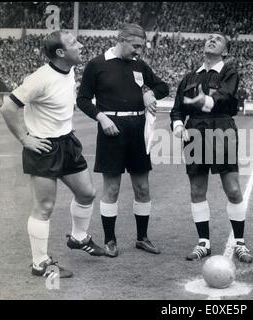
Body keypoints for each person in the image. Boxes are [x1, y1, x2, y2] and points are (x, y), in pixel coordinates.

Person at [0, 30, 105, 279]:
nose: (80, 45)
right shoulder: (40, 78)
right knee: (44, 207)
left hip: (67, 142)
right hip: (44, 148)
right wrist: (26, 139)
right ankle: (40, 263)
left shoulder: (69, 70)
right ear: (60, 53)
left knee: (87, 193)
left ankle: (79, 238)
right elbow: (8, 107)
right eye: (73, 43)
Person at [77, 23, 169, 257]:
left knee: (142, 187)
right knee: (112, 188)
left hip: (138, 130)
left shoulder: (139, 65)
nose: (139, 51)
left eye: (142, 47)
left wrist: (150, 92)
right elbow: (83, 99)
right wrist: (101, 118)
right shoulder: (97, 65)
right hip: (111, 130)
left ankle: (142, 238)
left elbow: (163, 87)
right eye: (136, 46)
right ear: (121, 39)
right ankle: (110, 240)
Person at [170, 32, 253, 263]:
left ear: (225, 51)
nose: (212, 39)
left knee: (233, 189)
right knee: (197, 189)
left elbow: (226, 95)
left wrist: (205, 101)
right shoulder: (189, 77)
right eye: (209, 37)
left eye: (218, 39)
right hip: (194, 131)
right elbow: (177, 108)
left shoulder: (229, 71)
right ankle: (203, 243)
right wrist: (178, 125)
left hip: (221, 128)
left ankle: (239, 243)